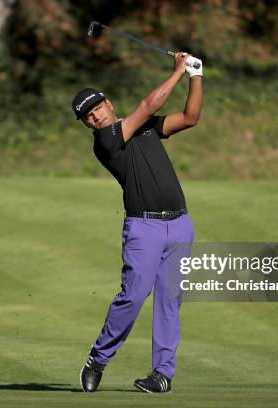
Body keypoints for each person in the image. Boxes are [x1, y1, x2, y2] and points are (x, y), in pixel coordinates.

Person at [71, 52, 203, 393]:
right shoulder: (106, 141)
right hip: (144, 229)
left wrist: (196, 76)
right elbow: (148, 103)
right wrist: (177, 71)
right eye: (88, 116)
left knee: (169, 300)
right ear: (87, 124)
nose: (95, 116)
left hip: (179, 225)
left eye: (97, 108)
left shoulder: (144, 126)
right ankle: (98, 360)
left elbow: (190, 118)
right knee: (132, 297)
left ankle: (162, 374)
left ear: (108, 103)